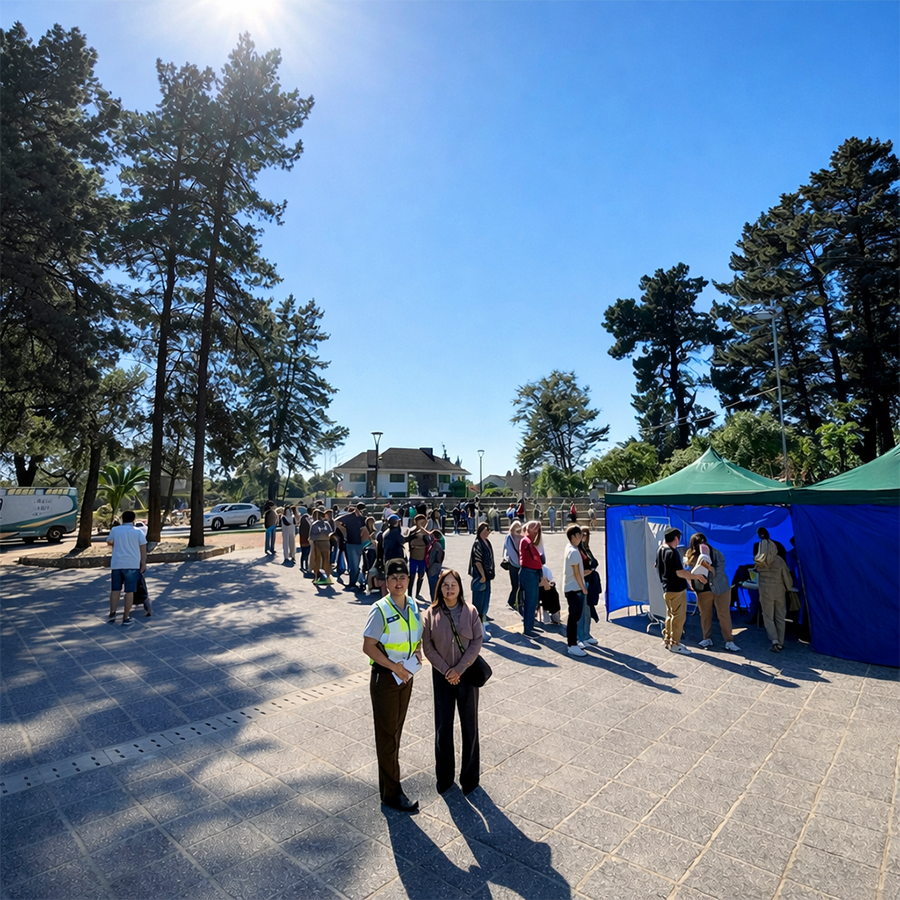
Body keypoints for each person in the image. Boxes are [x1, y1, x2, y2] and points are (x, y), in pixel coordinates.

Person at [362, 559, 423, 812]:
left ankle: (387, 788)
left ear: (409, 580)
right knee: (387, 736)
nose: (399, 582)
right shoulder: (380, 609)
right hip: (386, 678)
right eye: (394, 578)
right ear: (386, 581)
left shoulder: (412, 604)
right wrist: (393, 666)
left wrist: (417, 650)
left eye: (403, 577)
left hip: (406, 676)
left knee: (395, 733)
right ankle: (393, 794)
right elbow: (368, 646)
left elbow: (416, 633)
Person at [421, 569, 484, 795]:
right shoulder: (431, 613)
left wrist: (459, 668)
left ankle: (470, 777)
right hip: (442, 675)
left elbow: (477, 640)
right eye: (445, 585)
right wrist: (447, 670)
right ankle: (445, 777)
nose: (449, 589)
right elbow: (427, 645)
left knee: (470, 727)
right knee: (443, 727)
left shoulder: (470, 611)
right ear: (440, 588)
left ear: (459, 587)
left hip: (466, 674)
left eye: (453, 585)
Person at [684, 533, 740, 652]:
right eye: (699, 543)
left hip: (720, 589)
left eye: (703, 542)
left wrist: (709, 568)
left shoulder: (717, 554)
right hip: (703, 590)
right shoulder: (691, 555)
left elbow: (719, 572)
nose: (702, 545)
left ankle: (729, 641)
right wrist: (693, 580)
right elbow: (688, 572)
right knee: (705, 614)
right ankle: (706, 638)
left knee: (723, 614)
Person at [655, 527, 704, 654]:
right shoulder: (673, 552)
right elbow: (680, 572)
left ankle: (668, 639)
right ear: (676, 538)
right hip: (676, 589)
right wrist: (696, 576)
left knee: (670, 616)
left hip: (666, 588)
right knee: (678, 618)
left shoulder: (660, 549)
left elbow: (656, 565)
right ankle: (675, 643)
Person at [754, 530, 795, 652]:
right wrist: (789, 588)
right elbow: (787, 578)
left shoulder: (759, 563)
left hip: (765, 591)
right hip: (779, 590)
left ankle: (774, 640)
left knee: (768, 616)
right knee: (780, 616)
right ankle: (781, 642)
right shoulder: (780, 560)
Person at [107, 509, 148, 626]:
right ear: (134, 520)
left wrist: (118, 544)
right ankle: (126, 617)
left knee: (115, 589)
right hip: (132, 565)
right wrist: (143, 563)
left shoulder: (115, 530)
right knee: (129, 591)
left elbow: (109, 541)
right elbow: (143, 548)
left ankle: (112, 614)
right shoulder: (138, 532)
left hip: (116, 564)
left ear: (122, 519)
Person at [563, 525, 588, 657]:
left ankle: (574, 641)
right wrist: (583, 588)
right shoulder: (573, 551)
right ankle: (571, 644)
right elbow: (577, 572)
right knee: (574, 617)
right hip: (574, 588)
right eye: (579, 535)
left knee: (575, 617)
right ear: (574, 536)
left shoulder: (571, 548)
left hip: (573, 587)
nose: (581, 537)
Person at [468, 522, 495, 641]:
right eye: (485, 530)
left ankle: (481, 629)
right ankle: (477, 632)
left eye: (488, 530)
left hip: (487, 577)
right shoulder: (478, 544)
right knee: (479, 604)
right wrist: (483, 575)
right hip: (481, 577)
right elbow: (477, 561)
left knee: (485, 602)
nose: (487, 532)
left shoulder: (487, 542)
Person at [518, 520, 544, 637]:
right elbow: (536, 557)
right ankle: (528, 629)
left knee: (532, 602)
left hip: (532, 573)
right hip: (529, 573)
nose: (536, 528)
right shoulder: (526, 540)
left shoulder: (529, 541)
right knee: (530, 602)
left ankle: (530, 625)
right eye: (533, 526)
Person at [336, 502, 370, 591]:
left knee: (362, 565)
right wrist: (344, 531)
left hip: (362, 544)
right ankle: (352, 583)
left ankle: (360, 582)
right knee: (353, 565)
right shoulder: (349, 517)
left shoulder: (363, 518)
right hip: (351, 543)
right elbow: (336, 521)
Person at [578, 528, 601, 644]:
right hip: (583, 582)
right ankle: (580, 636)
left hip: (590, 582)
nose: (585, 536)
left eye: (587, 534)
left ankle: (586, 634)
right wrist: (591, 570)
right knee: (582, 612)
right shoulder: (578, 550)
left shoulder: (586, 549)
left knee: (588, 610)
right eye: (583, 533)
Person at [407, 515, 430, 598]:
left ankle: (417, 593)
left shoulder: (426, 532)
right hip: (413, 557)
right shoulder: (412, 531)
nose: (422, 524)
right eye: (421, 522)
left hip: (422, 558)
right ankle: (409, 594)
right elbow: (409, 540)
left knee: (421, 575)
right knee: (412, 576)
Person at [309, 509, 334, 584]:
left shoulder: (315, 524)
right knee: (326, 560)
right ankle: (327, 577)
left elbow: (311, 535)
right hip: (326, 542)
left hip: (318, 543)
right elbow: (331, 533)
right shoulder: (327, 524)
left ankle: (317, 577)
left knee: (317, 560)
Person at [503, 520, 523, 610]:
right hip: (519, 565)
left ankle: (515, 601)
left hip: (512, 564)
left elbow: (506, 550)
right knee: (517, 585)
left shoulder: (508, 537)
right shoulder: (519, 538)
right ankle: (513, 601)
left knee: (516, 585)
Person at [426, 530, 445, 600]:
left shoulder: (436, 545)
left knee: (433, 588)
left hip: (433, 568)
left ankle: (434, 601)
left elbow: (433, 558)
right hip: (435, 567)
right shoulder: (436, 543)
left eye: (431, 535)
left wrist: (428, 566)